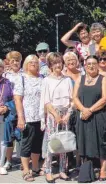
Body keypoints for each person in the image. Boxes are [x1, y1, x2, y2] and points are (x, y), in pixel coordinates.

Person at [73, 55, 106, 181]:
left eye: (94, 63)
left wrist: (90, 110)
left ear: (98, 65)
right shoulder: (80, 79)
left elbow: (105, 98)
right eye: (88, 63)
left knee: (101, 143)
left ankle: (103, 169)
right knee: (84, 142)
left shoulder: (103, 79)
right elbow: (75, 97)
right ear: (85, 65)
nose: (91, 66)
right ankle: (87, 170)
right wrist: (83, 109)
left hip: (99, 116)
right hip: (83, 116)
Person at [39, 53, 74, 182]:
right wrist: (56, 115)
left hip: (65, 114)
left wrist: (68, 114)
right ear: (50, 65)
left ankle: (62, 170)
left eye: (59, 62)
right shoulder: (46, 80)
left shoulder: (67, 79)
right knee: (52, 142)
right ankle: (48, 170)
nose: (58, 65)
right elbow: (46, 101)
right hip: (53, 114)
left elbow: (72, 99)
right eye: (54, 63)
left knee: (64, 142)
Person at [14, 55, 45, 182]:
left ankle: (36, 166)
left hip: (41, 116)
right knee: (27, 143)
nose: (33, 64)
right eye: (30, 62)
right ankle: (26, 169)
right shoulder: (21, 78)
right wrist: (21, 117)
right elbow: (17, 99)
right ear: (26, 64)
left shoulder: (42, 78)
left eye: (36, 62)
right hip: (28, 116)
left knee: (38, 142)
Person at [2, 51, 23, 171]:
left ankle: (22, 160)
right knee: (8, 136)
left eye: (17, 60)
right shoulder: (5, 76)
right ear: (8, 62)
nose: (15, 63)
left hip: (22, 107)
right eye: (13, 60)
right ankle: (8, 161)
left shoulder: (24, 74)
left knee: (21, 135)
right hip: (9, 107)